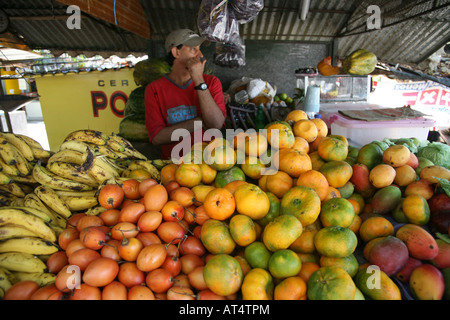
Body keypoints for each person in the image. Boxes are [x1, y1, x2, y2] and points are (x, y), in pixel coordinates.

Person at [144, 29, 227, 161]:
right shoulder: (154, 89)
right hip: (174, 167)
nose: (200, 55)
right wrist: (200, 122)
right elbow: (157, 137)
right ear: (176, 52)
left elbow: (216, 124)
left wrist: (199, 80)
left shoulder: (211, 82)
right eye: (193, 49)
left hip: (210, 165)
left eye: (200, 49)